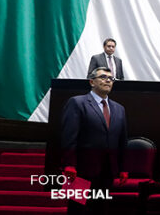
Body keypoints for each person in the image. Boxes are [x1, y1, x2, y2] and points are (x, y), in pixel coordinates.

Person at [61, 67, 128, 214]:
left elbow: (122, 141)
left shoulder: (119, 109)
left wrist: (122, 168)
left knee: (101, 208)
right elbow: (69, 136)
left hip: (108, 170)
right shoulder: (77, 103)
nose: (108, 81)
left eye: (111, 79)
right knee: (77, 208)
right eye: (103, 77)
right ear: (92, 81)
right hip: (80, 170)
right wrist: (69, 164)